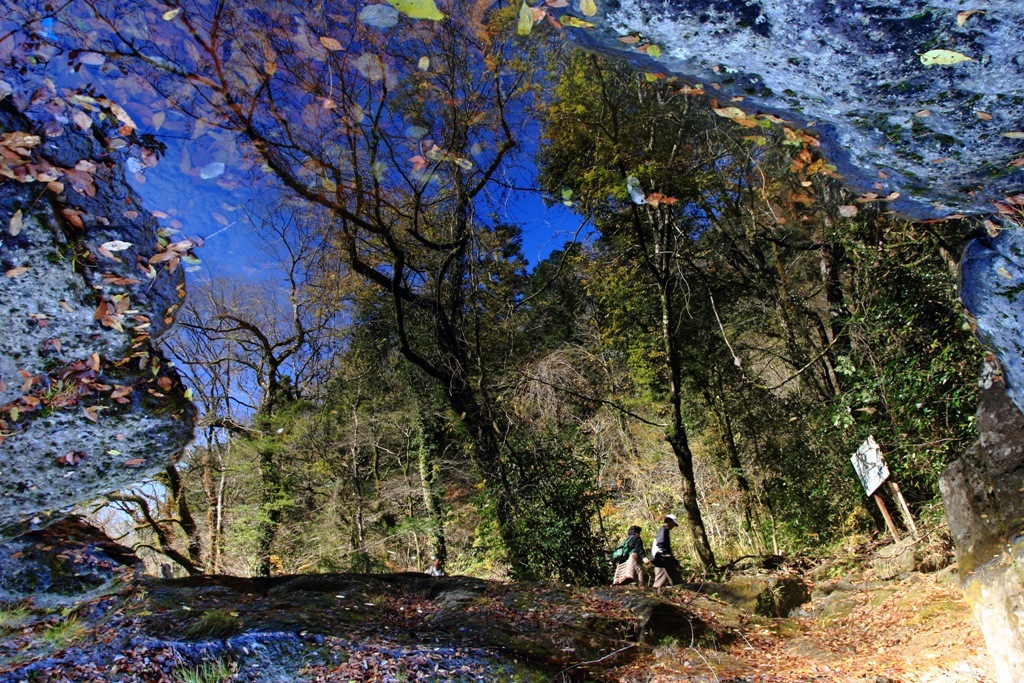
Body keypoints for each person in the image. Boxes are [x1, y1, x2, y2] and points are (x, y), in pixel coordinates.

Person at [651, 514, 684, 587]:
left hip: (657, 557)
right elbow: (660, 543)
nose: (673, 526)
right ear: (669, 521)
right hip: (661, 556)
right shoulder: (663, 529)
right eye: (673, 524)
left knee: (660, 576)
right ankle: (681, 589)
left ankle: (656, 591)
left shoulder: (664, 530)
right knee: (675, 577)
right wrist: (666, 554)